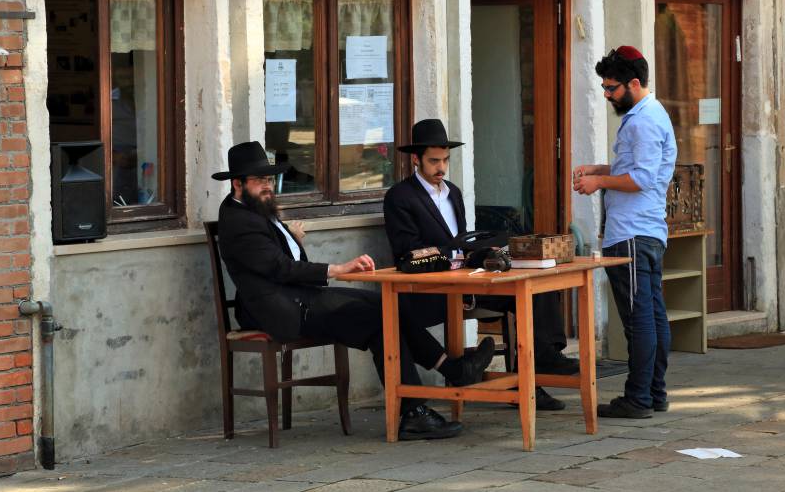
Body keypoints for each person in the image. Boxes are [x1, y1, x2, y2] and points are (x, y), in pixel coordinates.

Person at [214, 141, 495, 440]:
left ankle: (450, 373)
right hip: (280, 311)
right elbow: (279, 267)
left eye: (269, 179)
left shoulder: (255, 208)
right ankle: (415, 411)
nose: (267, 186)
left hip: (300, 297)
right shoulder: (238, 221)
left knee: (388, 305)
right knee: (377, 320)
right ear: (237, 183)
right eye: (259, 181)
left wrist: (291, 238)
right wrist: (337, 269)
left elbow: (282, 256)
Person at [383, 119, 577, 411]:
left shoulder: (454, 193)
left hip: (469, 281)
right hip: (430, 289)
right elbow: (407, 251)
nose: (441, 168)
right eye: (434, 161)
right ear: (416, 159)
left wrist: (483, 251)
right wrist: (455, 254)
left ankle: (538, 365)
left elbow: (462, 241)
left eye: (446, 160)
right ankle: (527, 374)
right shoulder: (400, 197)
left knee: (533, 281)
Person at [573, 46, 677, 419]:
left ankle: (639, 398)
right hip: (642, 229)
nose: (607, 94)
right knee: (652, 314)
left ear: (634, 83)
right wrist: (599, 168)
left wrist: (599, 180)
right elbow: (632, 166)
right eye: (604, 86)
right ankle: (654, 393)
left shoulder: (644, 120)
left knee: (640, 319)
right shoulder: (644, 115)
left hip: (634, 231)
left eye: (612, 87)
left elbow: (643, 178)